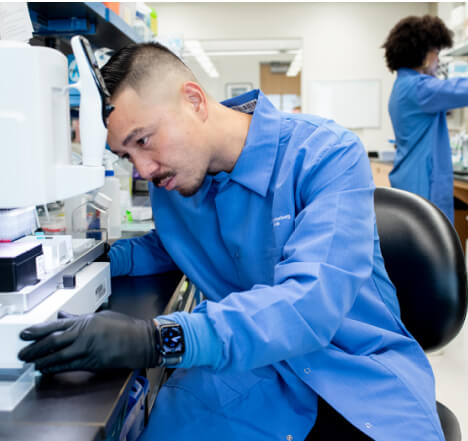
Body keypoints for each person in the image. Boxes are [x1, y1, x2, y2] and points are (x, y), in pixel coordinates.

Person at [18, 42, 445, 441]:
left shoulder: (326, 154)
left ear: (194, 100)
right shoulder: (176, 179)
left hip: (356, 376)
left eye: (143, 141)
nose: (143, 170)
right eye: (127, 156)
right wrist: (90, 260)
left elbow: (309, 305)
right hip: (255, 371)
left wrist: (156, 338)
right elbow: (174, 244)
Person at [383, 14, 468, 224]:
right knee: (434, 246)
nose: (438, 60)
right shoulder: (420, 88)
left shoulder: (403, 85)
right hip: (423, 182)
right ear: (424, 54)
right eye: (437, 52)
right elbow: (463, 90)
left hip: (409, 178)